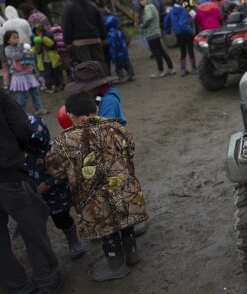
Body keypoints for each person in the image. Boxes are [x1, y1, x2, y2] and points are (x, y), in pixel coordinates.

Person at [45, 92, 148, 282]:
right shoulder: (116, 127)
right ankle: (132, 253)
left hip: (92, 198)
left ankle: (116, 265)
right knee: (125, 219)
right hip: (124, 188)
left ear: (69, 115)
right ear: (97, 109)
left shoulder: (63, 142)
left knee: (106, 227)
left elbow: (55, 170)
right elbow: (130, 149)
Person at [0, 89, 63, 294]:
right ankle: (46, 279)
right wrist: (14, 151)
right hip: (7, 173)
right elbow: (21, 127)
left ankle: (17, 287)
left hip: (8, 172)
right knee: (32, 224)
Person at [23, 115, 85, 260]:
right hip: (36, 196)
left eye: (33, 143)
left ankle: (77, 236)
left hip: (59, 195)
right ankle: (62, 243)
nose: (30, 147)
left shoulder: (53, 149)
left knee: (64, 217)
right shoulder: (23, 151)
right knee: (49, 222)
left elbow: (65, 169)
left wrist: (47, 184)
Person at [61, 0, 107, 70]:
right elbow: (100, 23)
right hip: (95, 38)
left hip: (79, 42)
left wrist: (67, 42)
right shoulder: (93, 6)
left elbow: (66, 26)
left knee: (87, 64)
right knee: (100, 62)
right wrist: (103, 37)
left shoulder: (68, 7)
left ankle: (93, 83)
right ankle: (105, 82)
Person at [3, 30, 48, 115]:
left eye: (17, 37)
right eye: (14, 38)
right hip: (19, 75)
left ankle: (39, 108)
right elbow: (17, 56)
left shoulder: (22, 46)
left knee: (35, 92)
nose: (17, 39)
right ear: (8, 40)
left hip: (28, 73)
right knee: (23, 95)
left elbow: (30, 55)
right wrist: (21, 49)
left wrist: (28, 51)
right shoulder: (8, 49)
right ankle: (21, 112)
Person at [139, 0, 176, 78]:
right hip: (156, 32)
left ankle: (160, 71)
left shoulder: (147, 7)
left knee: (156, 53)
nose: (142, 2)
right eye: (140, 1)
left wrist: (143, 25)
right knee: (162, 51)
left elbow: (148, 18)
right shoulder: (152, 6)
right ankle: (171, 68)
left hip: (151, 33)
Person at [163, 0, 196, 76]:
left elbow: (166, 21)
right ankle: (193, 68)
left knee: (182, 50)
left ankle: (183, 69)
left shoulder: (171, 11)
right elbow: (183, 24)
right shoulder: (184, 10)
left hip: (178, 33)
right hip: (186, 32)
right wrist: (192, 31)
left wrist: (168, 31)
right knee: (190, 49)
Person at [31, 24, 63, 93]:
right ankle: (49, 86)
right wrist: (37, 45)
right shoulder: (35, 40)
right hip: (43, 60)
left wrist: (43, 38)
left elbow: (51, 45)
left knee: (56, 72)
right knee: (47, 74)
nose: (38, 33)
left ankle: (58, 85)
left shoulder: (48, 36)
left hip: (53, 58)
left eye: (40, 31)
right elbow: (34, 51)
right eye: (36, 32)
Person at [104, 11, 135, 83]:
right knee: (127, 65)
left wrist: (113, 57)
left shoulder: (110, 34)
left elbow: (112, 46)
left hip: (117, 55)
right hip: (124, 53)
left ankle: (121, 78)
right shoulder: (119, 32)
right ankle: (131, 75)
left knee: (118, 68)